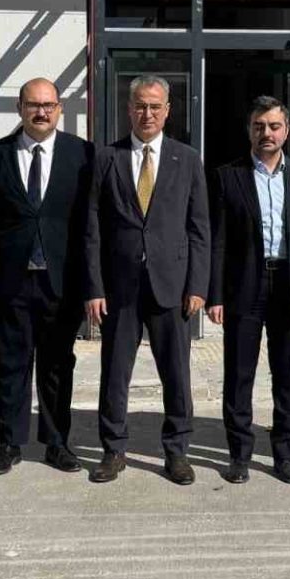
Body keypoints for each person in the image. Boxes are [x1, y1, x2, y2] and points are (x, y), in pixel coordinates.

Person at [84, 75, 210, 485]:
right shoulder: (107, 157)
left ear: (168, 110)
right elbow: (92, 229)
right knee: (114, 372)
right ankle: (113, 450)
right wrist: (94, 287)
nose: (147, 113)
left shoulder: (186, 159)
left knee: (176, 374)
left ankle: (177, 452)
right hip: (119, 287)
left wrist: (198, 286)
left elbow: (199, 228)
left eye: (155, 106)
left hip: (171, 285)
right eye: (140, 105)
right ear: (129, 108)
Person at [206, 96, 290, 485]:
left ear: (286, 131)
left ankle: (285, 455)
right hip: (245, 285)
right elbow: (218, 241)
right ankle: (239, 456)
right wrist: (214, 294)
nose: (267, 133)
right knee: (239, 375)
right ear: (249, 130)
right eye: (259, 126)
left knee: (287, 376)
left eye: (274, 126)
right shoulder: (228, 176)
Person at [0, 78, 93, 476]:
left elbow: (91, 223)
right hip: (10, 281)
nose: (41, 112)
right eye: (33, 105)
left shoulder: (83, 155)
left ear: (59, 109)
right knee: (12, 363)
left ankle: (57, 443)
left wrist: (92, 281)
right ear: (20, 108)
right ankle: (9, 443)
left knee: (58, 364)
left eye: (48, 105)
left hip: (63, 281)